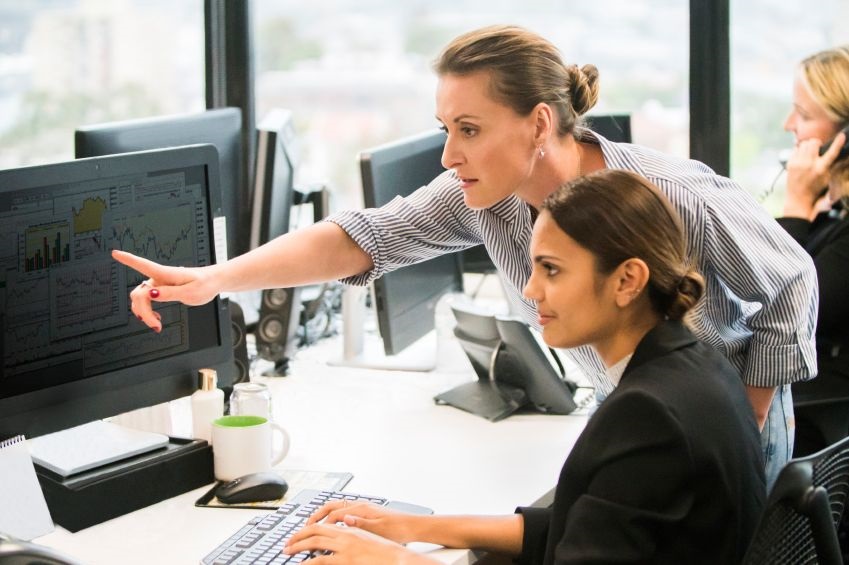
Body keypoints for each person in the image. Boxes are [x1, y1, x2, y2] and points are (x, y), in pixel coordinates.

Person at [112, 24, 816, 486]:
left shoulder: (664, 195)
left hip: (721, 424)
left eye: (470, 129)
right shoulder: (485, 198)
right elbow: (363, 235)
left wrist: (748, 409)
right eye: (445, 128)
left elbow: (791, 281)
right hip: (636, 418)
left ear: (538, 122)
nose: (450, 155)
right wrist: (214, 279)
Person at [282, 170, 767, 564]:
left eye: (551, 269)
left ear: (627, 281)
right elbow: (580, 527)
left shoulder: (650, 414)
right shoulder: (697, 365)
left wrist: (397, 563)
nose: (531, 290)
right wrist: (416, 527)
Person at [778, 45, 849, 456]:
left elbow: (788, 312)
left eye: (804, 115)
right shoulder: (832, 216)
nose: (790, 125)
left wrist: (796, 207)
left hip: (820, 435)